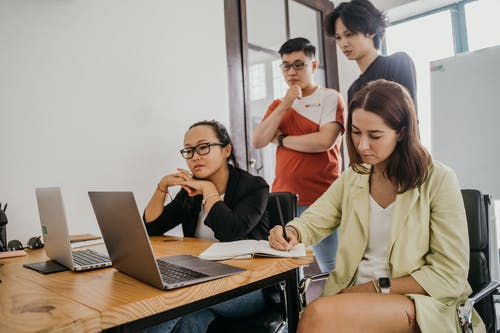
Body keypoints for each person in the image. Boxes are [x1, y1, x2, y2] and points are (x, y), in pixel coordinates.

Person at [268, 79, 485, 332]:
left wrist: (373, 288)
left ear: (402, 132)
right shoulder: (354, 177)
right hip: (353, 297)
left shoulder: (438, 179)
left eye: (375, 135)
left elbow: (450, 273)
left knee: (317, 315)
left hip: (418, 301)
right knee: (318, 315)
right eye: (356, 132)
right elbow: (314, 220)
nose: (362, 145)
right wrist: (291, 233)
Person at [143, 120, 271, 333]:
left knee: (174, 300)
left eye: (203, 147)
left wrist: (208, 189)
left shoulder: (254, 187)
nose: (195, 156)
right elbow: (152, 227)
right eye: (189, 150)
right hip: (203, 280)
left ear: (226, 150)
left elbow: (230, 231)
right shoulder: (190, 192)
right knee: (189, 321)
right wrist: (162, 187)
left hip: (249, 285)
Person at [252, 37, 346, 274]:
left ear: (313, 66)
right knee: (290, 267)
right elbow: (259, 140)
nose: (291, 71)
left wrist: (282, 140)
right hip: (284, 197)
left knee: (331, 266)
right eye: (285, 65)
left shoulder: (329, 97)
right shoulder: (279, 104)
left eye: (298, 64)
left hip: (322, 196)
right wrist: (285, 104)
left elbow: (324, 141)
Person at [324, 0, 417, 106]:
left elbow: (410, 118)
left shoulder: (398, 63)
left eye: (349, 34)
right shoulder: (353, 89)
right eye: (338, 37)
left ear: (371, 31)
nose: (343, 43)